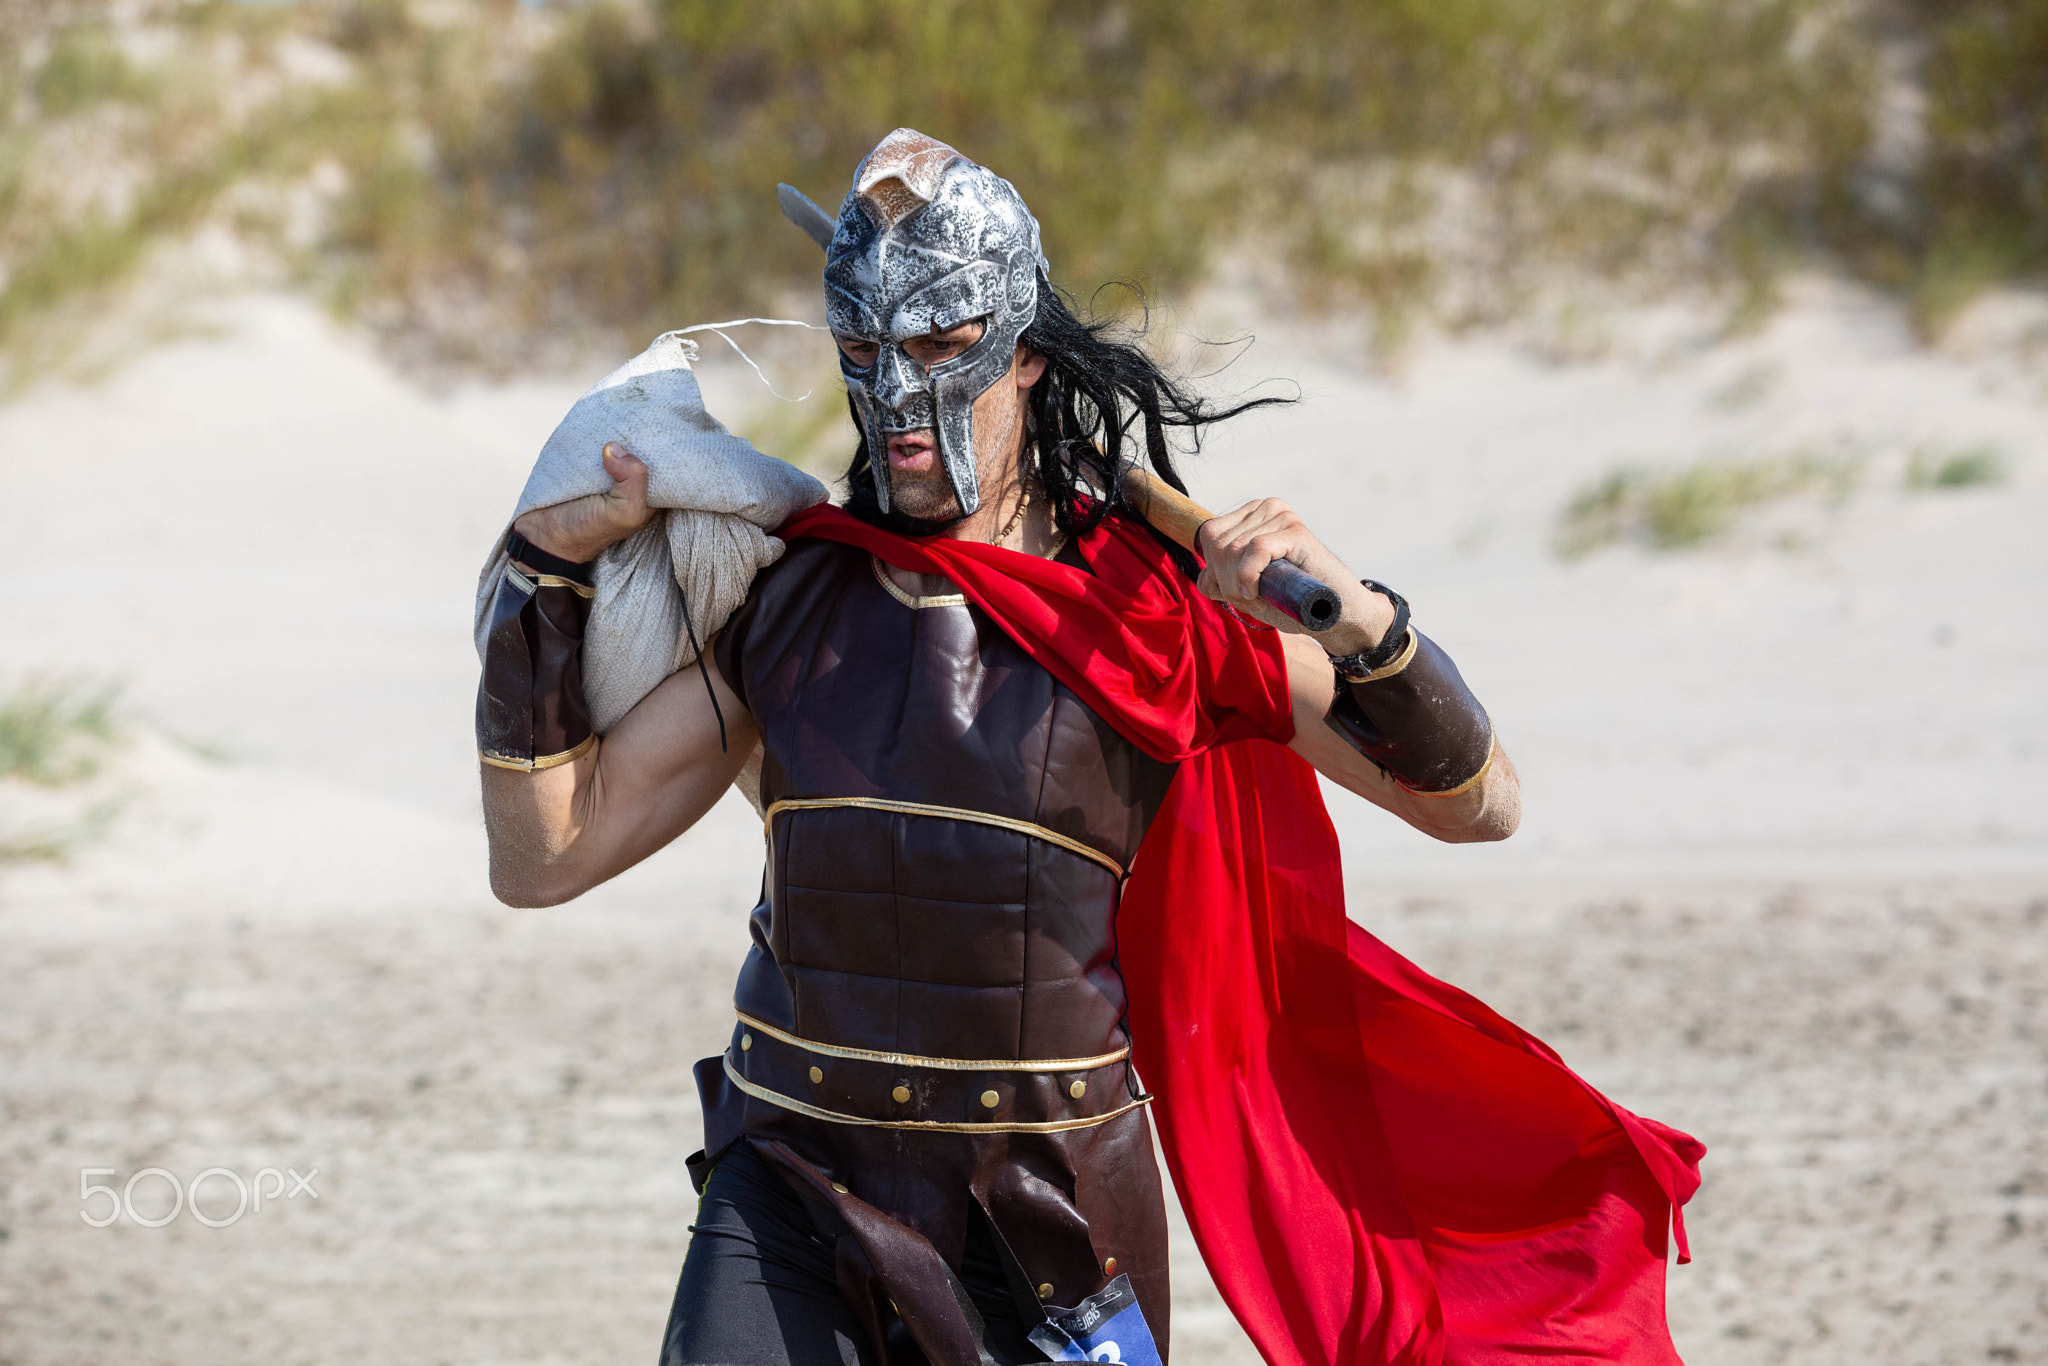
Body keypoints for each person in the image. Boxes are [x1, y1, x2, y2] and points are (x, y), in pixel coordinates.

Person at [477, 130, 1694, 1366]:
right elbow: (545, 858)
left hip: (1046, 1214)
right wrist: (547, 576)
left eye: (944, 347)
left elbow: (1476, 805)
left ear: (1025, 357)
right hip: (788, 1176)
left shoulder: (1155, 618)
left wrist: (1363, 619)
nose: (897, 394)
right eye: (864, 350)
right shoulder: (797, 602)